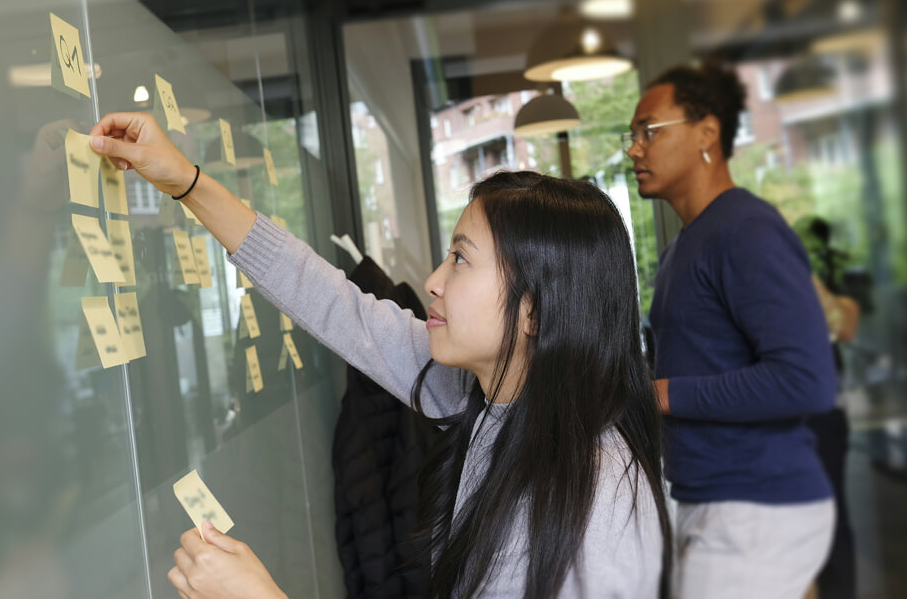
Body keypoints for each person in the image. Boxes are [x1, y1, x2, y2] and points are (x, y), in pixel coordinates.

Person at [87, 112, 672, 599]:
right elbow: (330, 302)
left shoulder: (598, 504)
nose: (433, 281)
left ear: (534, 312)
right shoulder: (486, 394)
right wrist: (185, 182)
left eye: (462, 260)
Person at [624, 63, 838, 598]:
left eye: (648, 130)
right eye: (632, 136)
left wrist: (668, 395)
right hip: (713, 501)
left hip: (756, 507)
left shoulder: (747, 229)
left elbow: (807, 380)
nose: (634, 149)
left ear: (707, 133)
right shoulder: (684, 248)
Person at [795, 215, 863, 599]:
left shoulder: (819, 273)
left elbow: (846, 324)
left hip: (822, 418)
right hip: (785, 417)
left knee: (831, 523)